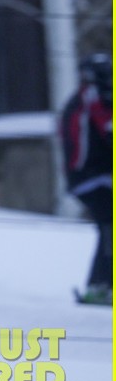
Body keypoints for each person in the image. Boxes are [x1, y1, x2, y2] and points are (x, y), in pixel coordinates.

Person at [59, 53, 112, 306]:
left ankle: (100, 285)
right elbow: (108, 130)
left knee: (107, 226)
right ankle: (101, 287)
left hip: (86, 177)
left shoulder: (81, 98)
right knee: (109, 225)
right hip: (93, 176)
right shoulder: (95, 97)